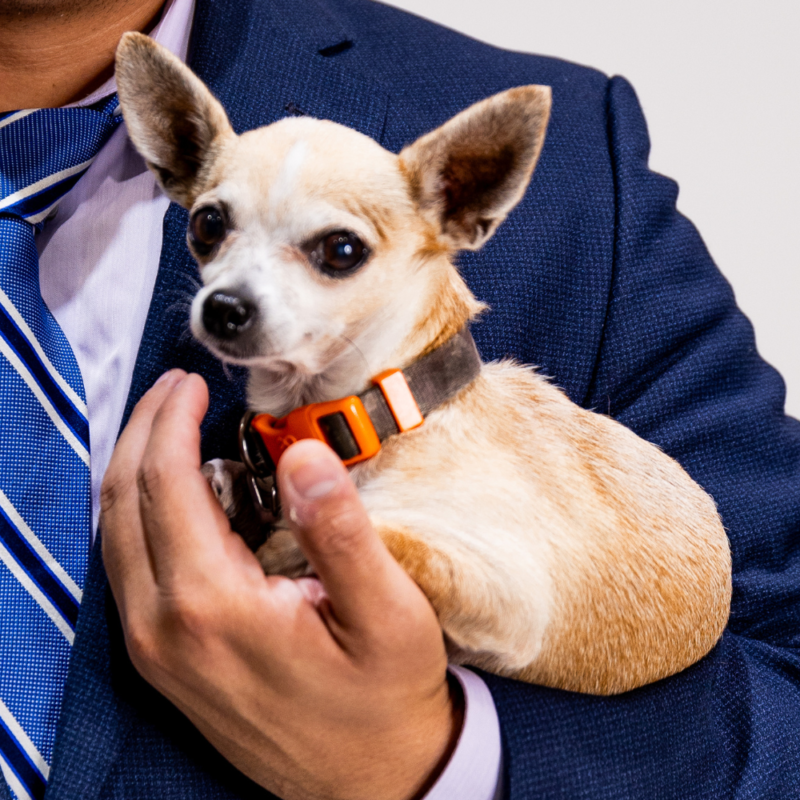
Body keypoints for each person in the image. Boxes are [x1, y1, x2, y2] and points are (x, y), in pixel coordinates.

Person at [1, 0, 798, 799]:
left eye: (337, 251)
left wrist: (433, 760)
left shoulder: (586, 175)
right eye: (213, 231)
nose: (234, 290)